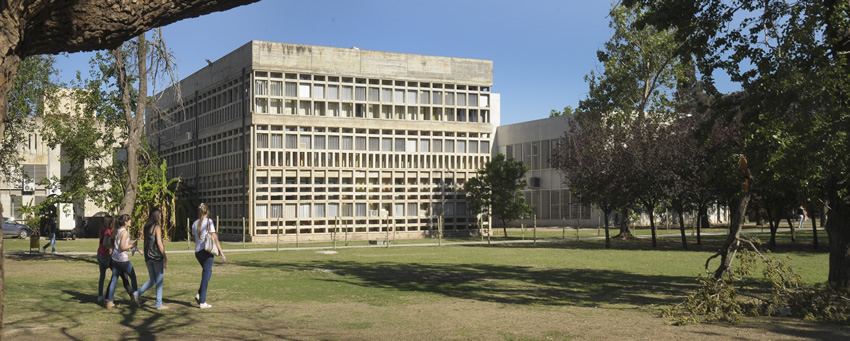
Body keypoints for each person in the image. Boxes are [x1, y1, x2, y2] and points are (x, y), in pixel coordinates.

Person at [192, 203, 226, 309]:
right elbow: (214, 237)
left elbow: (194, 239)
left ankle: (199, 294)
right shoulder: (209, 222)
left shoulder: (194, 223)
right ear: (207, 211)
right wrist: (221, 252)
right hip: (207, 251)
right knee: (206, 274)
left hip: (198, 252)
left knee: (208, 273)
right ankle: (202, 301)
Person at [134, 208, 168, 310]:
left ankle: (137, 293)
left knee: (153, 279)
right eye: (160, 216)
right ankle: (159, 304)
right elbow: (159, 243)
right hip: (157, 257)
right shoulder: (156, 227)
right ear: (157, 216)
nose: (161, 217)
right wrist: (165, 257)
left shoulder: (147, 227)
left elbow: (146, 243)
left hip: (148, 257)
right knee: (159, 280)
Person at [98, 216, 134, 305]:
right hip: (106, 256)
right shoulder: (108, 231)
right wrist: (114, 246)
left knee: (106, 276)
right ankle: (110, 297)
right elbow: (105, 243)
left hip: (100, 254)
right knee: (120, 275)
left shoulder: (102, 230)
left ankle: (102, 296)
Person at [106, 214, 139, 309]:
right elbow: (123, 247)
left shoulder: (117, 231)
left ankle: (110, 301)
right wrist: (132, 245)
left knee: (114, 279)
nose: (130, 221)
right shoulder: (124, 233)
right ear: (125, 222)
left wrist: (135, 248)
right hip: (123, 260)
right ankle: (136, 298)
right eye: (129, 220)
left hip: (114, 259)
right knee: (133, 277)